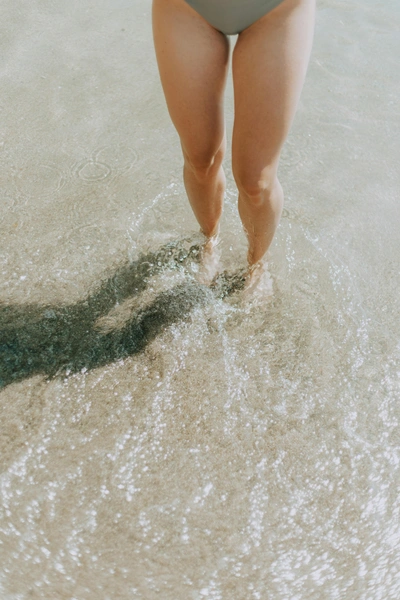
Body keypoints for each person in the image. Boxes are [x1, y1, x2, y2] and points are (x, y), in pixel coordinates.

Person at [152, 0, 315, 290]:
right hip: (186, 6)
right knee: (201, 159)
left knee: (256, 181)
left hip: (276, 8)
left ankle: (256, 265)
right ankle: (208, 241)